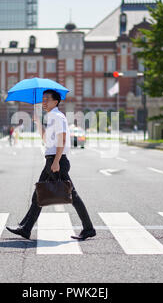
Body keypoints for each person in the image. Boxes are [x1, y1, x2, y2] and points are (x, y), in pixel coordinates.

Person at [6, 89, 96, 241]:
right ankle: (26, 228)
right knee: (39, 193)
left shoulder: (57, 116)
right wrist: (38, 123)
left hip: (56, 160)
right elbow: (47, 141)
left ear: (56, 101)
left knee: (71, 195)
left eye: (47, 99)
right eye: (43, 99)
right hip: (52, 159)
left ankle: (88, 228)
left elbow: (61, 139)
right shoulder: (52, 116)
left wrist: (56, 162)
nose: (44, 102)